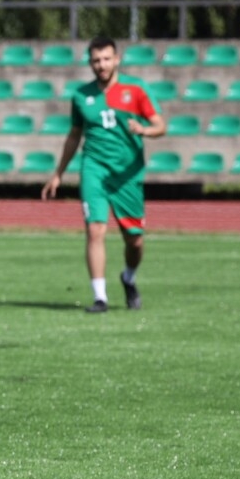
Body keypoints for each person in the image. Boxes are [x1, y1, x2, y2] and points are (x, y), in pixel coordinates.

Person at [41, 35, 166, 313]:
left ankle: (128, 277)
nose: (102, 65)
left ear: (117, 59)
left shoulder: (136, 90)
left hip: (127, 174)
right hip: (93, 169)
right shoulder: (81, 96)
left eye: (107, 58)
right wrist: (58, 173)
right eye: (96, 60)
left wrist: (144, 130)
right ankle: (100, 297)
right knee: (95, 229)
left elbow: (160, 125)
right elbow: (74, 136)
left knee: (135, 240)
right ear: (90, 63)